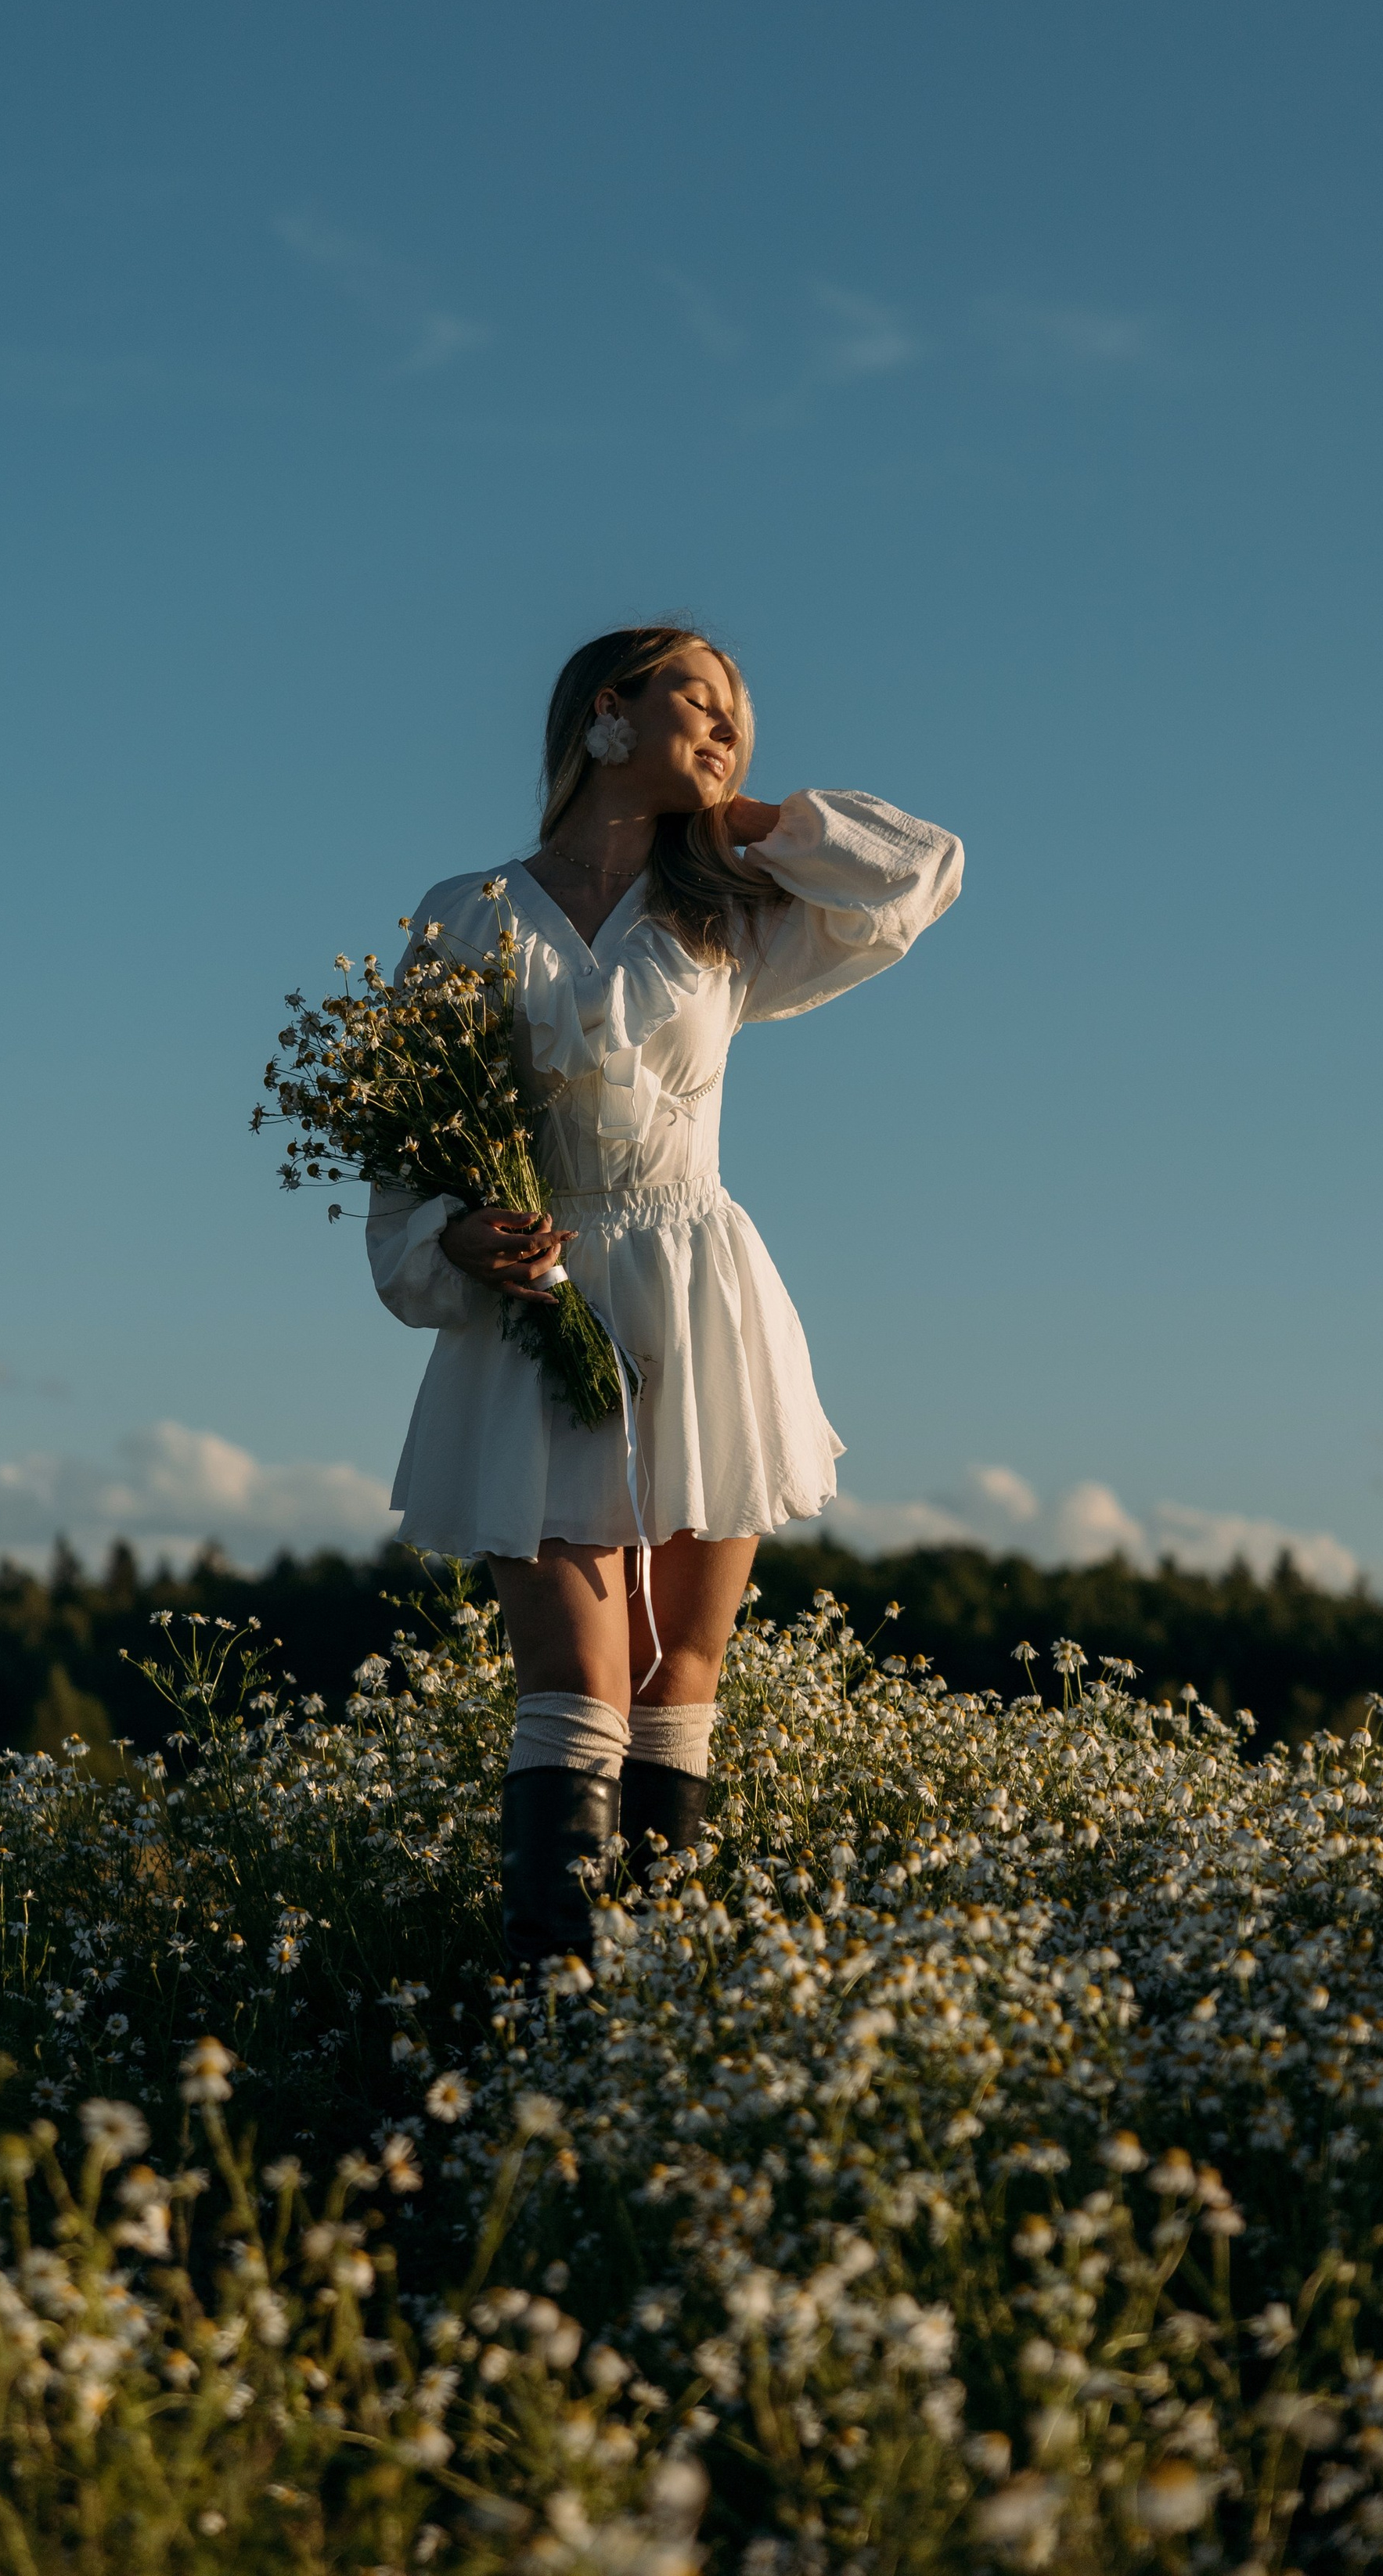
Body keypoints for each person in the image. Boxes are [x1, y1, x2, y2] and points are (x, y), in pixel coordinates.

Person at [366, 624, 963, 1973]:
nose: (726, 727)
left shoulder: (734, 916)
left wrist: (746, 812)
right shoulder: (466, 914)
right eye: (697, 701)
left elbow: (921, 873)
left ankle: (652, 2008)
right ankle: (551, 2008)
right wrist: (461, 1238)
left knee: (672, 1680)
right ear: (601, 716)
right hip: (539, 1307)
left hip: (699, 1292)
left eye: (740, 718)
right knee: (574, 1683)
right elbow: (401, 1154)